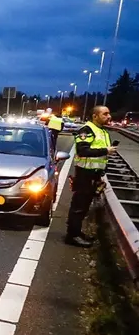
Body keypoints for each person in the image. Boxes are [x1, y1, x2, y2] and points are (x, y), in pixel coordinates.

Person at [65, 106, 116, 247]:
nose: (109, 116)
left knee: (84, 206)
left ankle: (77, 232)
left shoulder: (102, 131)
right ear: (95, 116)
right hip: (84, 174)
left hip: (94, 174)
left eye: (109, 113)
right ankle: (72, 236)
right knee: (79, 206)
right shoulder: (86, 130)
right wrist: (105, 150)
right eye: (105, 114)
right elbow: (82, 150)